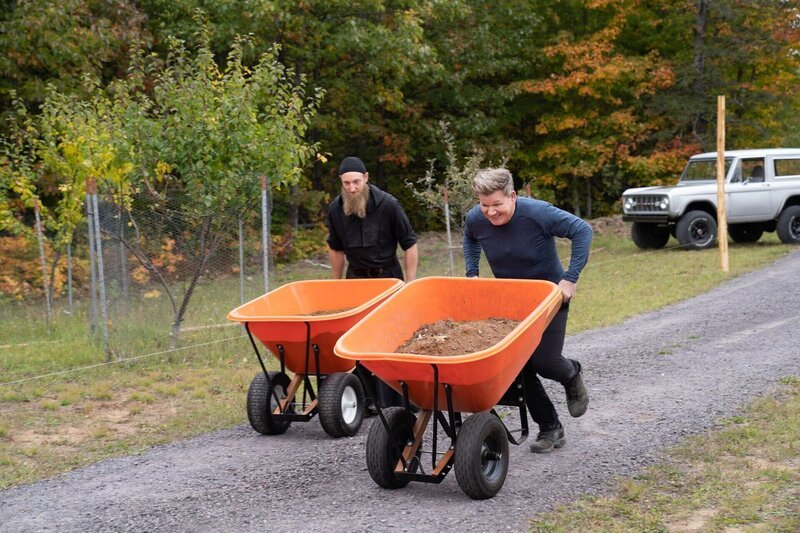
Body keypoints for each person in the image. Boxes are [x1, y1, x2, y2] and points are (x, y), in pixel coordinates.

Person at [462, 167, 592, 453]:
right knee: (517, 369)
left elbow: (582, 230)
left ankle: (571, 373)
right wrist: (472, 273)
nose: (490, 212)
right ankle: (550, 428)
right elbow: (470, 237)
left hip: (549, 299)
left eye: (497, 204)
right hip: (511, 303)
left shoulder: (538, 213)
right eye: (484, 205)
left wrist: (569, 279)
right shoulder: (475, 218)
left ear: (512, 196)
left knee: (545, 362)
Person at [327, 155, 419, 410]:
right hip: (356, 281)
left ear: (366, 178)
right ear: (341, 182)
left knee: (390, 338)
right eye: (347, 183)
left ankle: (400, 400)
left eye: (356, 182)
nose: (352, 188)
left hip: (387, 279)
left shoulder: (388, 205)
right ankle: (366, 399)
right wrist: (335, 284)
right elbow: (335, 248)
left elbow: (410, 244)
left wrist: (411, 283)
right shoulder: (336, 208)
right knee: (357, 339)